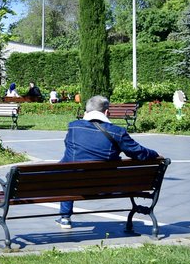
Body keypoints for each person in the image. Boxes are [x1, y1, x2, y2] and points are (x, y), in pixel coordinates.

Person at [56, 95, 159, 229]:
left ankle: (65, 217)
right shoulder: (118, 132)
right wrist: (155, 154)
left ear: (86, 112)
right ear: (106, 112)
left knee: (66, 170)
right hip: (105, 185)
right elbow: (138, 152)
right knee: (69, 168)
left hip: (74, 183)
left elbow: (67, 145)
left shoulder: (73, 127)